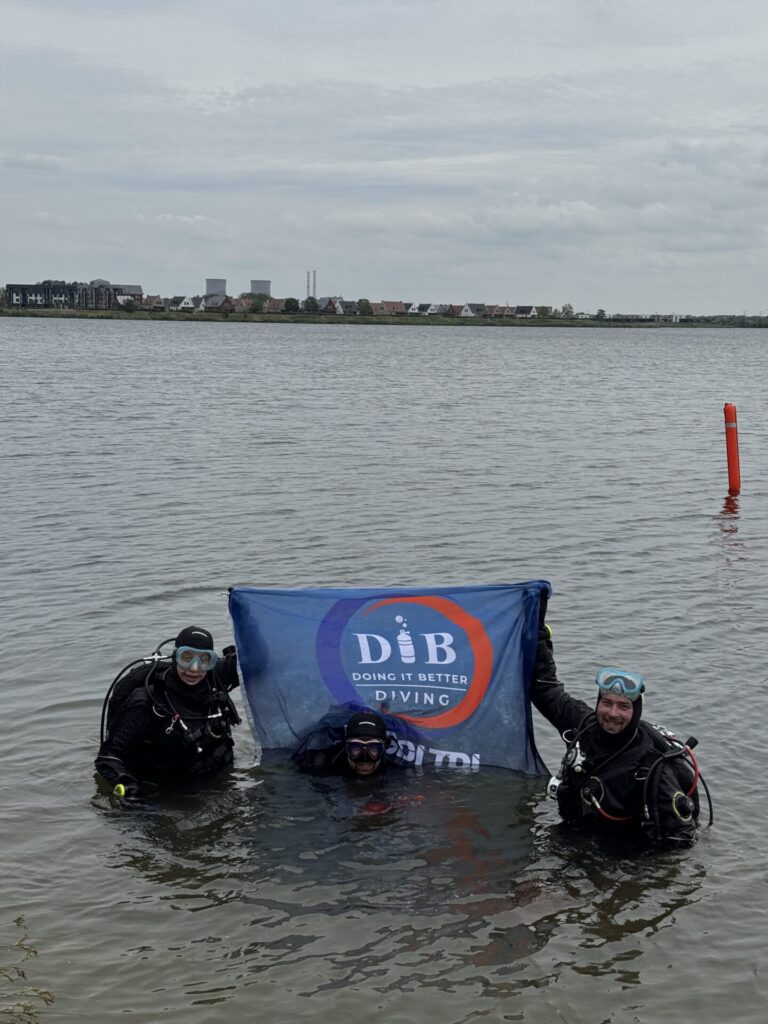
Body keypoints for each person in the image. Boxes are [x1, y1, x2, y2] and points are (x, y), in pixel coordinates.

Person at [531, 624, 709, 846]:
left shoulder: (653, 769)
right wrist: (538, 633)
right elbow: (544, 689)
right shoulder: (584, 725)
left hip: (619, 857)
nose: (613, 714)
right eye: (607, 703)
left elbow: (681, 842)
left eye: (623, 706)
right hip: (575, 836)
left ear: (636, 712)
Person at [95, 626, 241, 799]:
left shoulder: (215, 680)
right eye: (186, 658)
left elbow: (258, 661)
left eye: (203, 660)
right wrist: (127, 785)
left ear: (212, 662)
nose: (194, 668)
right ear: (175, 656)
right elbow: (108, 756)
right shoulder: (146, 702)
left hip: (215, 783)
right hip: (160, 791)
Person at [292, 708, 390, 778]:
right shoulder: (320, 759)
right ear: (346, 745)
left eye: (374, 748)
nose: (364, 764)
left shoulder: (394, 762)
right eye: (356, 747)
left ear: (384, 747)